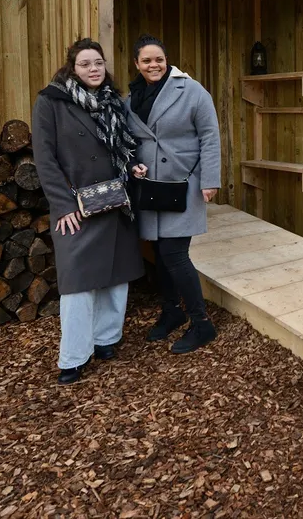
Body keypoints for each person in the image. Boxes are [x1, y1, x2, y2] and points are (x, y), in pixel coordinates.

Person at [31, 39, 145, 385]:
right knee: (78, 284)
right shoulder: (51, 101)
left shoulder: (114, 101)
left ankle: (106, 339)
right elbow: (45, 158)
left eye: (98, 63)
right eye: (85, 64)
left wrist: (134, 166)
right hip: (77, 206)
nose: (93, 69)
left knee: (115, 277)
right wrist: (63, 204)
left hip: (116, 200)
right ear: (72, 68)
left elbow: (125, 143)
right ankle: (74, 357)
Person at [126, 35, 222, 354]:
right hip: (150, 185)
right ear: (136, 64)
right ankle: (172, 311)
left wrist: (210, 180)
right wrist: (133, 163)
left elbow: (210, 136)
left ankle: (202, 324)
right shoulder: (131, 98)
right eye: (146, 61)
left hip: (184, 181)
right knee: (159, 254)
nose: (154, 65)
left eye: (159, 59)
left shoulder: (191, 90)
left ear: (167, 60)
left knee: (174, 254)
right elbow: (127, 140)